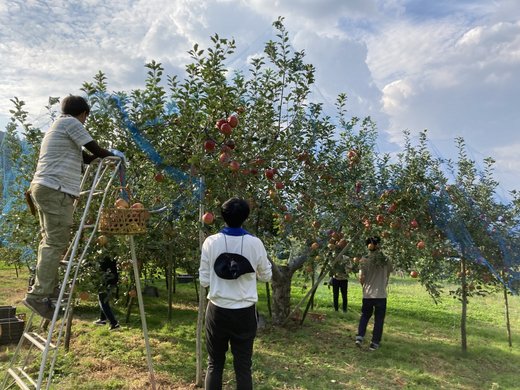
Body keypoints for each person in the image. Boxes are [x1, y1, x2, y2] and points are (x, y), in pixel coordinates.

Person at [23, 95, 115, 320]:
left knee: (49, 241)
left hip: (44, 187)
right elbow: (94, 149)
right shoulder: (71, 123)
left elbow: (86, 158)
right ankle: (39, 295)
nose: (85, 122)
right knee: (56, 242)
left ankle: (47, 287)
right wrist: (115, 157)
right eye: (86, 118)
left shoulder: (58, 127)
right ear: (83, 114)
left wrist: (100, 159)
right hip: (54, 189)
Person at [199, 198, 272, 390]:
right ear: (246, 217)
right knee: (243, 367)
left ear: (222, 216)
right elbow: (266, 276)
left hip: (217, 310)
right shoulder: (255, 243)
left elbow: (204, 281)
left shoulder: (210, 242)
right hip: (244, 313)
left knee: (214, 363)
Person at [355, 236, 393, 351]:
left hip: (368, 294)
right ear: (379, 245)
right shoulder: (386, 259)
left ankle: (360, 337)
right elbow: (388, 274)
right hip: (381, 294)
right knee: (379, 320)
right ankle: (375, 343)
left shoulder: (364, 259)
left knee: (365, 316)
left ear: (368, 246)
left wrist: (365, 286)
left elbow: (361, 277)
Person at [93, 255, 120, 331]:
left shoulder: (105, 256)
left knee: (103, 301)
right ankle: (103, 319)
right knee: (103, 299)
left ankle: (114, 323)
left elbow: (102, 267)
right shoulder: (110, 254)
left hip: (107, 280)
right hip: (110, 279)